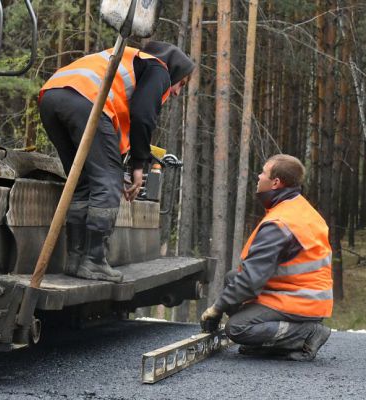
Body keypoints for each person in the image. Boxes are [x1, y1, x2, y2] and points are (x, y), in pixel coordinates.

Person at [39, 41, 195, 283]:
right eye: (181, 84)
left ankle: (75, 260)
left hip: (51, 96)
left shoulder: (129, 60)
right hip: (86, 100)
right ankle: (94, 261)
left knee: (82, 182)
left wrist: (120, 164)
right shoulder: (159, 69)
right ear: (174, 70)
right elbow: (143, 117)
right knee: (106, 181)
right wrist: (138, 167)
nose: (176, 92)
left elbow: (115, 131)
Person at [200, 154, 333, 361]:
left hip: (302, 301)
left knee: (237, 328)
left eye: (263, 172)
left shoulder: (280, 223)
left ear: (276, 182)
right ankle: (270, 342)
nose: (259, 176)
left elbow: (251, 282)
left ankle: (308, 333)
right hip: (301, 292)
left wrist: (216, 309)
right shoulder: (297, 207)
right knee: (232, 278)